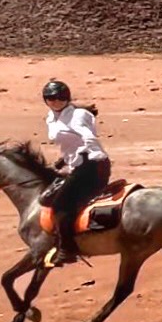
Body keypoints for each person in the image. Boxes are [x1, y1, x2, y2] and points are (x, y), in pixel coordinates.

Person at [41, 79, 111, 264]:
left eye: (59, 97)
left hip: (91, 166)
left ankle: (67, 250)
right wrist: (62, 161)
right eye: (50, 98)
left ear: (67, 97)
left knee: (60, 206)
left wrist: (93, 157)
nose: (55, 101)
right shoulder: (52, 117)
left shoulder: (78, 115)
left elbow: (87, 137)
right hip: (77, 163)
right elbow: (73, 142)